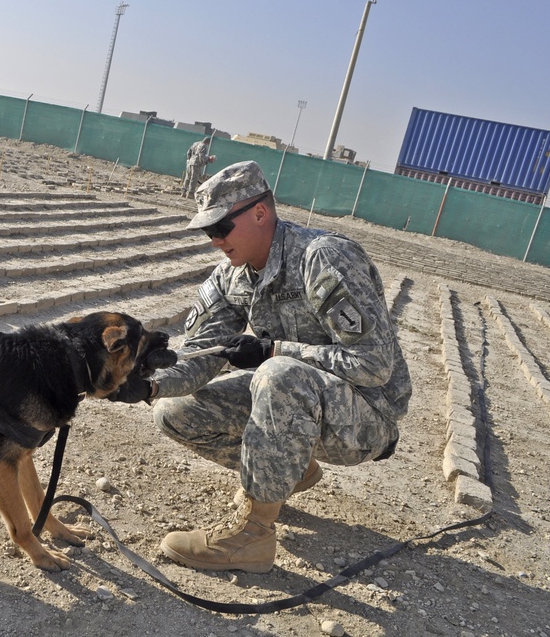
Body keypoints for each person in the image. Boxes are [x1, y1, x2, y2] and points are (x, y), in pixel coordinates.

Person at [111, 160, 412, 573]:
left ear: (259, 213)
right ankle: (292, 468)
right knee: (173, 412)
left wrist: (274, 350)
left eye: (220, 229)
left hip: (366, 415)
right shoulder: (229, 278)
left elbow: (374, 365)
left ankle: (251, 537)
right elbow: (202, 353)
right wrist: (147, 385)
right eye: (207, 232)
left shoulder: (322, 258)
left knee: (277, 374)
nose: (215, 241)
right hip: (302, 403)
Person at [182, 136, 216, 200]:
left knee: (187, 177)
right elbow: (201, 156)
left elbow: (188, 152)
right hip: (196, 164)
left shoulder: (195, 143)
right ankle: (190, 194)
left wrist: (189, 159)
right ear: (208, 142)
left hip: (190, 162)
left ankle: (183, 192)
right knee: (194, 179)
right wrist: (202, 163)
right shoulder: (203, 146)